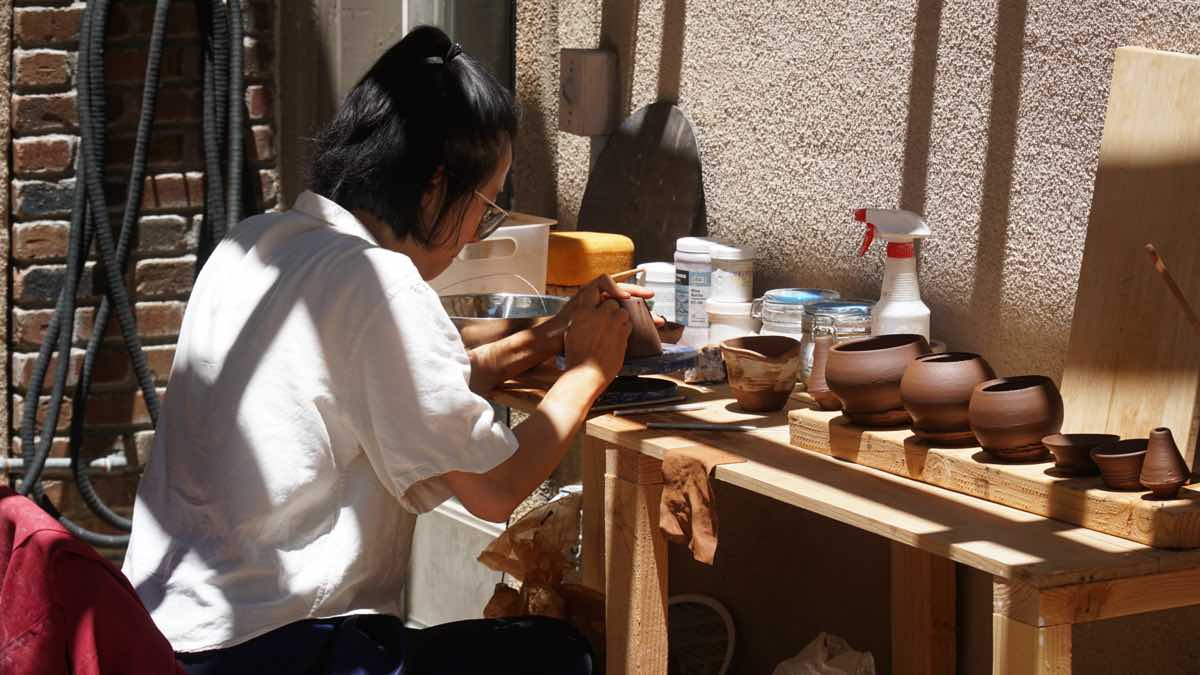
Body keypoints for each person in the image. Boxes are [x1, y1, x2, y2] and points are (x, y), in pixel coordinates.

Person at [121, 26, 643, 674]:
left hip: (156, 639)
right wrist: (589, 371)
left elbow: (406, 383)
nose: (479, 233)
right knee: (560, 655)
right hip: (273, 652)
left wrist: (551, 334)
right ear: (432, 187)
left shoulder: (253, 243)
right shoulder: (377, 282)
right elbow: (495, 489)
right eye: (484, 208)